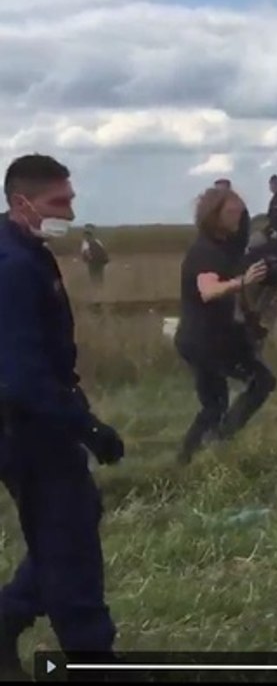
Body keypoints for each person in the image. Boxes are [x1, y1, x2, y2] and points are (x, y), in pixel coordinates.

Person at [0, 154, 125, 676]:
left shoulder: (31, 250)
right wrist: (87, 427)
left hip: (41, 415)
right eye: (59, 202)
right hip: (26, 426)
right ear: (21, 202)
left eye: (70, 199)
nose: (69, 211)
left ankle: (7, 617)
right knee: (70, 550)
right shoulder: (12, 267)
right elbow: (20, 374)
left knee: (70, 526)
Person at [174, 187, 276, 466]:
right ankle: (215, 441)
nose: (238, 216)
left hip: (211, 338)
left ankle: (189, 457)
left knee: (215, 404)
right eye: (231, 212)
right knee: (257, 383)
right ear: (214, 216)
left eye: (240, 211)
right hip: (204, 342)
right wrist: (243, 281)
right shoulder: (205, 252)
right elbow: (208, 290)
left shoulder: (225, 246)